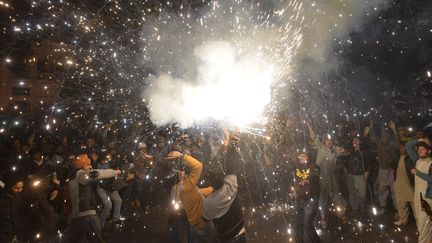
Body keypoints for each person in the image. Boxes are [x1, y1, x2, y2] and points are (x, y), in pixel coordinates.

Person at [203, 130, 246, 243]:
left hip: (224, 238)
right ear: (223, 179)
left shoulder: (208, 203)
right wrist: (233, 141)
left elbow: (205, 218)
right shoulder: (230, 187)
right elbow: (232, 165)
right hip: (240, 234)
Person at [165, 151, 216, 242]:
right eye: (180, 171)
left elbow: (197, 192)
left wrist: (212, 189)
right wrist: (182, 155)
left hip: (193, 223)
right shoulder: (187, 186)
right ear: (178, 176)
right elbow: (198, 166)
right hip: (202, 221)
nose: (183, 172)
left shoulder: (181, 188)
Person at [68, 154, 121, 243]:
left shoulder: (76, 176)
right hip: (85, 216)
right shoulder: (80, 175)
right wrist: (114, 172)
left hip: (81, 215)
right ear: (82, 165)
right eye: (88, 165)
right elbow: (95, 174)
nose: (91, 166)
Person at [306, 123, 347, 228]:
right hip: (321, 176)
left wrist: (343, 151)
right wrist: (310, 128)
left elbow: (346, 153)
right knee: (322, 198)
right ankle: (323, 217)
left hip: (331, 176)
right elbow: (314, 137)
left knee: (336, 195)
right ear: (324, 141)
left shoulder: (334, 149)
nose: (329, 142)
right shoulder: (320, 146)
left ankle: (342, 213)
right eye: (327, 140)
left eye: (330, 140)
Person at [370, 120, 399, 213]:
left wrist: (394, 129)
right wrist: (371, 125)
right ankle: (383, 206)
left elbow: (398, 142)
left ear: (388, 137)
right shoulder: (379, 143)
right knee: (382, 189)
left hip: (391, 171)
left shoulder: (392, 144)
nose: (384, 139)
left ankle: (398, 210)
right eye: (383, 137)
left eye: (386, 137)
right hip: (382, 170)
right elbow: (372, 135)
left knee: (394, 191)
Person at [292, 149, 321, 243]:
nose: (301, 158)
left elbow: (315, 176)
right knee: (296, 223)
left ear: (308, 157)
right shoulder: (296, 167)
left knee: (307, 223)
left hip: (311, 199)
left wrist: (308, 180)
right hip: (299, 198)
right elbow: (295, 180)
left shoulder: (314, 167)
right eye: (300, 156)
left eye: (303, 156)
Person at [411, 142, 432, 243]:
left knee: (425, 222)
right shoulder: (417, 160)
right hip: (417, 195)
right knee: (420, 221)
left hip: (426, 197)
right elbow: (408, 146)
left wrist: (417, 173)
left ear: (429, 151)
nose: (420, 151)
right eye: (419, 149)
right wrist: (419, 139)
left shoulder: (431, 163)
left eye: (423, 149)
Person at [344, 137, 371, 215]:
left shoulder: (363, 151)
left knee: (362, 192)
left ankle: (362, 207)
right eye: (353, 140)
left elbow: (369, 161)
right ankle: (354, 208)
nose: (354, 142)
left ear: (360, 142)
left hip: (360, 175)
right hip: (351, 174)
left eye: (356, 140)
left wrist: (368, 171)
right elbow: (346, 160)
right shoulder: (351, 151)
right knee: (352, 191)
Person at [96, 153, 123, 228]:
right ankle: (101, 224)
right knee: (108, 205)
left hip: (109, 187)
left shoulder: (108, 164)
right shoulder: (97, 166)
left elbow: (113, 173)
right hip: (101, 188)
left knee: (118, 200)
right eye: (106, 158)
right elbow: (100, 176)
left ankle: (115, 218)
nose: (107, 159)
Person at [393, 142, 415, 226]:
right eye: (401, 147)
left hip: (410, 186)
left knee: (415, 207)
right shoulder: (397, 158)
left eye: (404, 147)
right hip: (399, 185)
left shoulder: (411, 158)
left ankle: (420, 225)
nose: (403, 149)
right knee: (401, 204)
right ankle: (403, 220)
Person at [0, 176, 24, 243]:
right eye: (16, 188)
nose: (19, 190)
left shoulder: (19, 198)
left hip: (17, 234)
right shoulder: (2, 200)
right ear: (10, 187)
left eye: (21, 187)